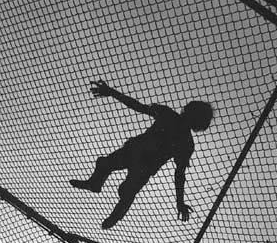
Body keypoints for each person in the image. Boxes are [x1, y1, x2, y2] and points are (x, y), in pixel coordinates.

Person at [70, 80, 214, 229]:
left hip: (142, 160)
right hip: (137, 154)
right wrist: (112, 92)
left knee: (124, 188)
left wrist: (180, 201)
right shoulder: (177, 128)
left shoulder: (183, 138)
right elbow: (138, 106)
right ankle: (95, 185)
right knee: (108, 169)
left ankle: (113, 212)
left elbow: (180, 174)